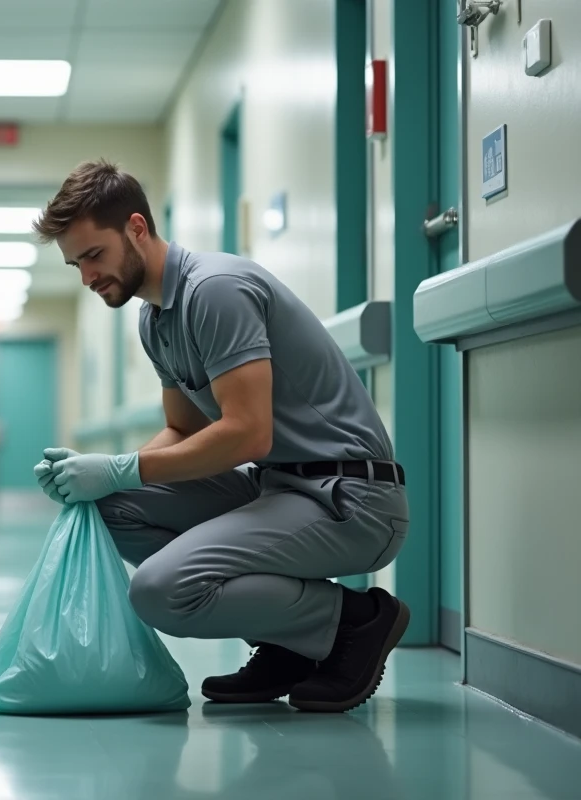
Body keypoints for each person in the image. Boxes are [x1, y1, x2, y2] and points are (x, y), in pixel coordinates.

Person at [30, 159, 410, 714]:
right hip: (278, 490)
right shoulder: (155, 319)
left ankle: (356, 623)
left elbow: (248, 435)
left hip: (351, 499)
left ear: (137, 228)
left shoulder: (216, 290)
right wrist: (101, 471)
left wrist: (120, 468)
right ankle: (290, 642)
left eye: (94, 255)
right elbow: (182, 429)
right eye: (75, 264)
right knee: (109, 508)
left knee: (160, 591)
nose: (87, 276)